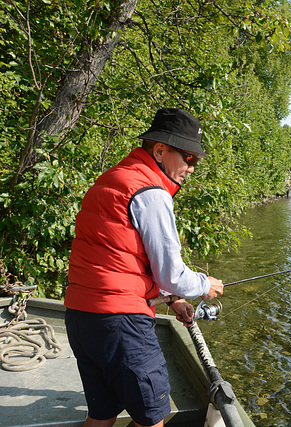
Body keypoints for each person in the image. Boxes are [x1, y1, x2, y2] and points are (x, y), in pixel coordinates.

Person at [64, 108, 224, 427]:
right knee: (152, 418)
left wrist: (170, 298)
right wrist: (205, 286)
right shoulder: (150, 192)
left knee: (101, 414)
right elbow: (171, 273)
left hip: (81, 319)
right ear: (161, 150)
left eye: (196, 160)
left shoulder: (115, 177)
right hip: (120, 324)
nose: (191, 168)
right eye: (188, 157)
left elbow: (121, 257)